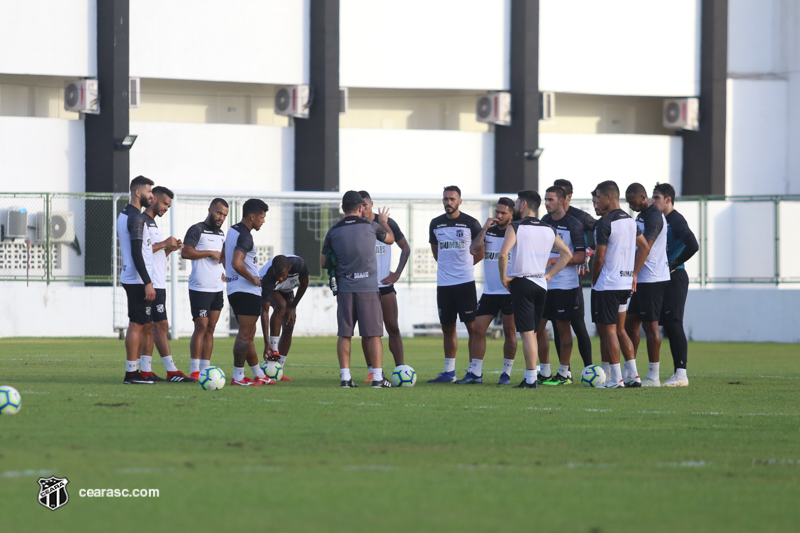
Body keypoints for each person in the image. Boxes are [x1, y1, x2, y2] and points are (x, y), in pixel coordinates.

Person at [498, 190, 573, 389]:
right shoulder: (549, 228)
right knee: (533, 331)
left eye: (516, 203)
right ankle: (531, 376)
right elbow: (567, 254)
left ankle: (531, 378)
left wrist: (503, 277)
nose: (514, 207)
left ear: (523, 205)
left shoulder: (515, 226)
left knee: (527, 332)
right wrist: (549, 275)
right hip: (541, 285)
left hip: (522, 283)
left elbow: (503, 254)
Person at [320, 191, 394, 388]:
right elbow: (390, 239)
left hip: (345, 288)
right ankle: (377, 377)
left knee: (345, 333)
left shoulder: (333, 230)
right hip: (368, 287)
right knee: (373, 334)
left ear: (343, 208)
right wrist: (385, 222)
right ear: (361, 207)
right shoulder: (370, 225)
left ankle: (345, 377)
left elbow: (323, 262)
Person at [590, 181, 650, 388]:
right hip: (624, 284)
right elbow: (644, 248)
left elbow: (599, 258)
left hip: (608, 284)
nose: (596, 201)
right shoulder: (631, 222)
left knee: (609, 331)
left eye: (598, 197)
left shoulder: (605, 224)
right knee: (621, 330)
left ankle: (616, 380)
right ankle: (633, 375)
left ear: (609, 197)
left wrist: (595, 278)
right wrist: (633, 273)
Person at [456, 197, 517, 385]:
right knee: (477, 329)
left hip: (510, 291)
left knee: (509, 332)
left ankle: (506, 373)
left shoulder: (515, 231)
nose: (498, 216)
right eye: (497, 212)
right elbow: (474, 250)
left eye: (503, 213)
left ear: (511, 214)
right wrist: (484, 228)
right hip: (490, 291)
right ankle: (475, 373)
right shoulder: (489, 230)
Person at [427, 185, 483, 383]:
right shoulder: (435, 224)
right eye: (445, 199)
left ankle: (473, 371)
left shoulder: (471, 223)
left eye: (452, 199)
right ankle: (449, 372)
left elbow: (480, 252)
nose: (448, 203)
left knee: (471, 327)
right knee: (447, 327)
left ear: (460, 201)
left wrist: (464, 267)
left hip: (465, 283)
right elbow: (437, 253)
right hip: (444, 284)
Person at [140, 186, 195, 382]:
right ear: (153, 199)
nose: (166, 208)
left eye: (169, 206)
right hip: (149, 283)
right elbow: (141, 251)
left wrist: (169, 248)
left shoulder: (153, 224)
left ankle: (146, 370)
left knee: (154, 325)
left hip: (158, 283)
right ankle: (170, 370)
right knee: (159, 325)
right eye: (164, 203)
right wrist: (164, 243)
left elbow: (155, 255)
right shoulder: (142, 222)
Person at [359, 191, 411, 382]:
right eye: (359, 205)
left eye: (365, 204)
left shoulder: (386, 223)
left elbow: (406, 247)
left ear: (371, 204)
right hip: (364, 286)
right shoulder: (355, 226)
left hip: (385, 286)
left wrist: (397, 273)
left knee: (393, 327)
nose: (362, 208)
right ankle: (372, 371)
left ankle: (401, 369)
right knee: (368, 331)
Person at [538, 186, 586, 385]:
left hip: (566, 285)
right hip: (544, 284)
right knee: (538, 327)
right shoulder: (544, 222)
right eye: (545, 200)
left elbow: (581, 256)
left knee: (562, 326)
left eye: (550, 200)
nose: (547, 203)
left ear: (561, 201)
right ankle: (545, 372)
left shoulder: (573, 224)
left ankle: (564, 373)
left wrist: (554, 261)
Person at [624, 182, 670, 387]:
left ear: (643, 197)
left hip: (652, 278)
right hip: (640, 279)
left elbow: (646, 248)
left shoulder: (653, 217)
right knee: (629, 323)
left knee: (650, 325)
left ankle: (654, 376)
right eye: (629, 203)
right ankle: (631, 370)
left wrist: (633, 273)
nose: (631, 206)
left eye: (633, 202)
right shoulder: (641, 216)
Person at [224, 199, 274, 386]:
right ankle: (238, 377)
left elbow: (224, 256)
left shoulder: (232, 231)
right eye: (262, 217)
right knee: (245, 335)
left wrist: (229, 276)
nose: (263, 221)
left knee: (249, 333)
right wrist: (252, 278)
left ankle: (258, 374)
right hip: (246, 291)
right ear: (252, 216)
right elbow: (237, 262)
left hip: (234, 289)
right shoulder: (245, 236)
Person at [652, 183, 698, 387]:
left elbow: (693, 244)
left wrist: (675, 263)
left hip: (675, 276)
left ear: (668, 199)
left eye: (657, 197)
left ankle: (681, 374)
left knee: (674, 323)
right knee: (654, 323)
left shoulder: (676, 220)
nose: (653, 201)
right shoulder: (659, 220)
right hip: (660, 277)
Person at [182, 198, 228, 380]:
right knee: (200, 326)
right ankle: (194, 369)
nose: (221, 217)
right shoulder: (197, 229)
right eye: (218, 213)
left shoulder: (222, 233)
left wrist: (225, 271)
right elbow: (186, 252)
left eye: (224, 215)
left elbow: (222, 257)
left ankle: (205, 369)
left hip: (217, 288)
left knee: (211, 328)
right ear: (210, 209)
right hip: (199, 288)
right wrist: (209, 253)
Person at [552, 178, 595, 368]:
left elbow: (600, 229)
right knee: (556, 325)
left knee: (578, 324)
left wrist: (588, 253)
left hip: (572, 278)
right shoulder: (548, 219)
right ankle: (564, 369)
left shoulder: (579, 218)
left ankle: (589, 368)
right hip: (552, 280)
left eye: (561, 193)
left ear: (568, 197)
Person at [118, 175, 156, 384]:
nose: (152, 195)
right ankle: (131, 373)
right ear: (138, 192)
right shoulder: (135, 217)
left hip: (133, 277)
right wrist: (147, 281)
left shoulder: (126, 213)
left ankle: (140, 371)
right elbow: (136, 252)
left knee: (143, 323)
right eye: (150, 191)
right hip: (137, 280)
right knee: (137, 324)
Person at [259, 254, 310, 381]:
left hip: (287, 289)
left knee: (289, 324)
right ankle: (274, 349)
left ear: (290, 268)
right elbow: (264, 311)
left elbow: (304, 285)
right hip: (270, 287)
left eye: (283, 275)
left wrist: (293, 306)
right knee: (281, 305)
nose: (281, 279)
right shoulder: (268, 277)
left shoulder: (299, 265)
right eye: (278, 276)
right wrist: (267, 343)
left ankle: (279, 369)